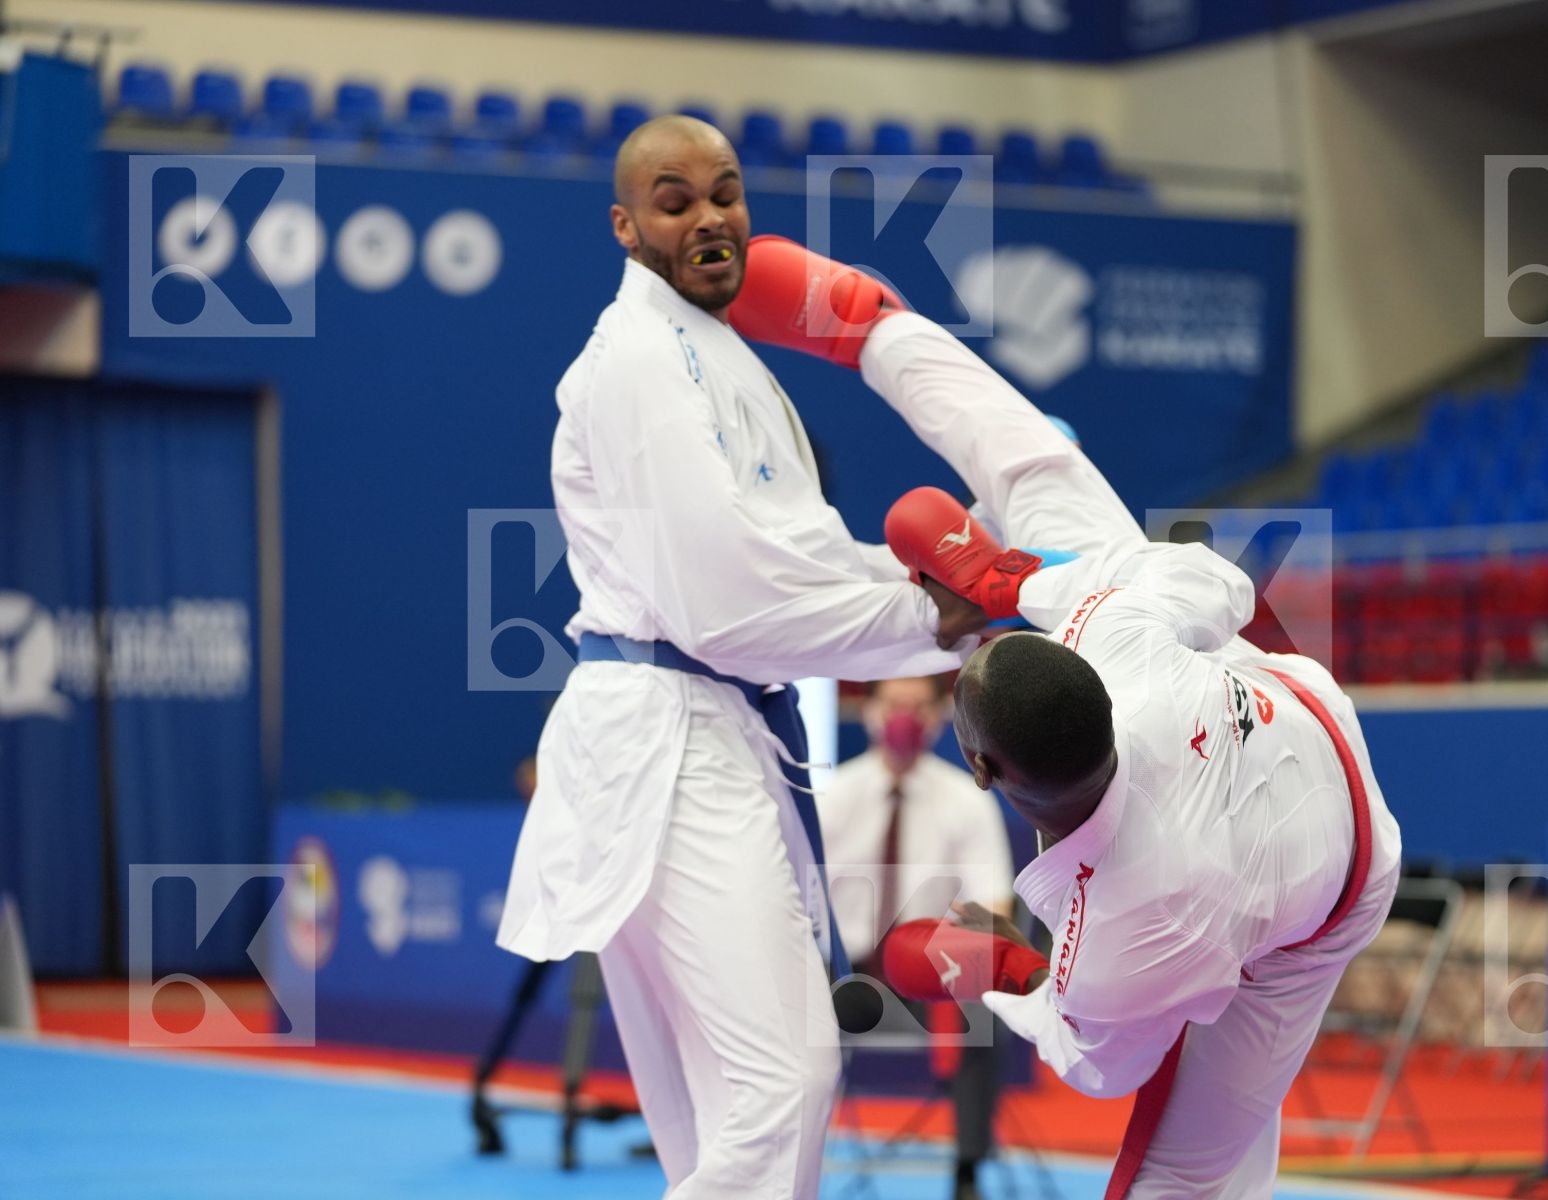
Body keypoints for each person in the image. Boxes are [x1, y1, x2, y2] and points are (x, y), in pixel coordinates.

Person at [727, 235, 1404, 1198]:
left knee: (1173, 1174)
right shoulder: (1119, 648)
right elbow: (1217, 582)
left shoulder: (1120, 932)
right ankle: (871, 327)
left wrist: (1001, 970)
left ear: (982, 769)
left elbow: (1099, 1067)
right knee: (1048, 484)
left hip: (1313, 908)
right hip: (1305, 748)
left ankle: (885, 340)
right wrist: (1009, 580)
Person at [494, 117, 984, 1200]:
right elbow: (727, 603)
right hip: (669, 737)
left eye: (725, 193)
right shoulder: (639, 361)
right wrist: (937, 616)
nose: (709, 217)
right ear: (627, 227)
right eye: (675, 202)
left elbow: (804, 557)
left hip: (694, 728)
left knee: (720, 1110)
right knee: (782, 1079)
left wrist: (957, 585)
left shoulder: (719, 356)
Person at [817, 675, 1014, 1200]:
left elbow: (994, 905)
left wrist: (962, 953)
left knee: (983, 1008)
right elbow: (797, 896)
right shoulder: (832, 797)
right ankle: (783, 1155)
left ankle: (968, 1171)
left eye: (918, 706)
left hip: (930, 979)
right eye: (894, 704)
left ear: (939, 716)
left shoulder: (968, 800)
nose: (904, 717)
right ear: (868, 711)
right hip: (844, 976)